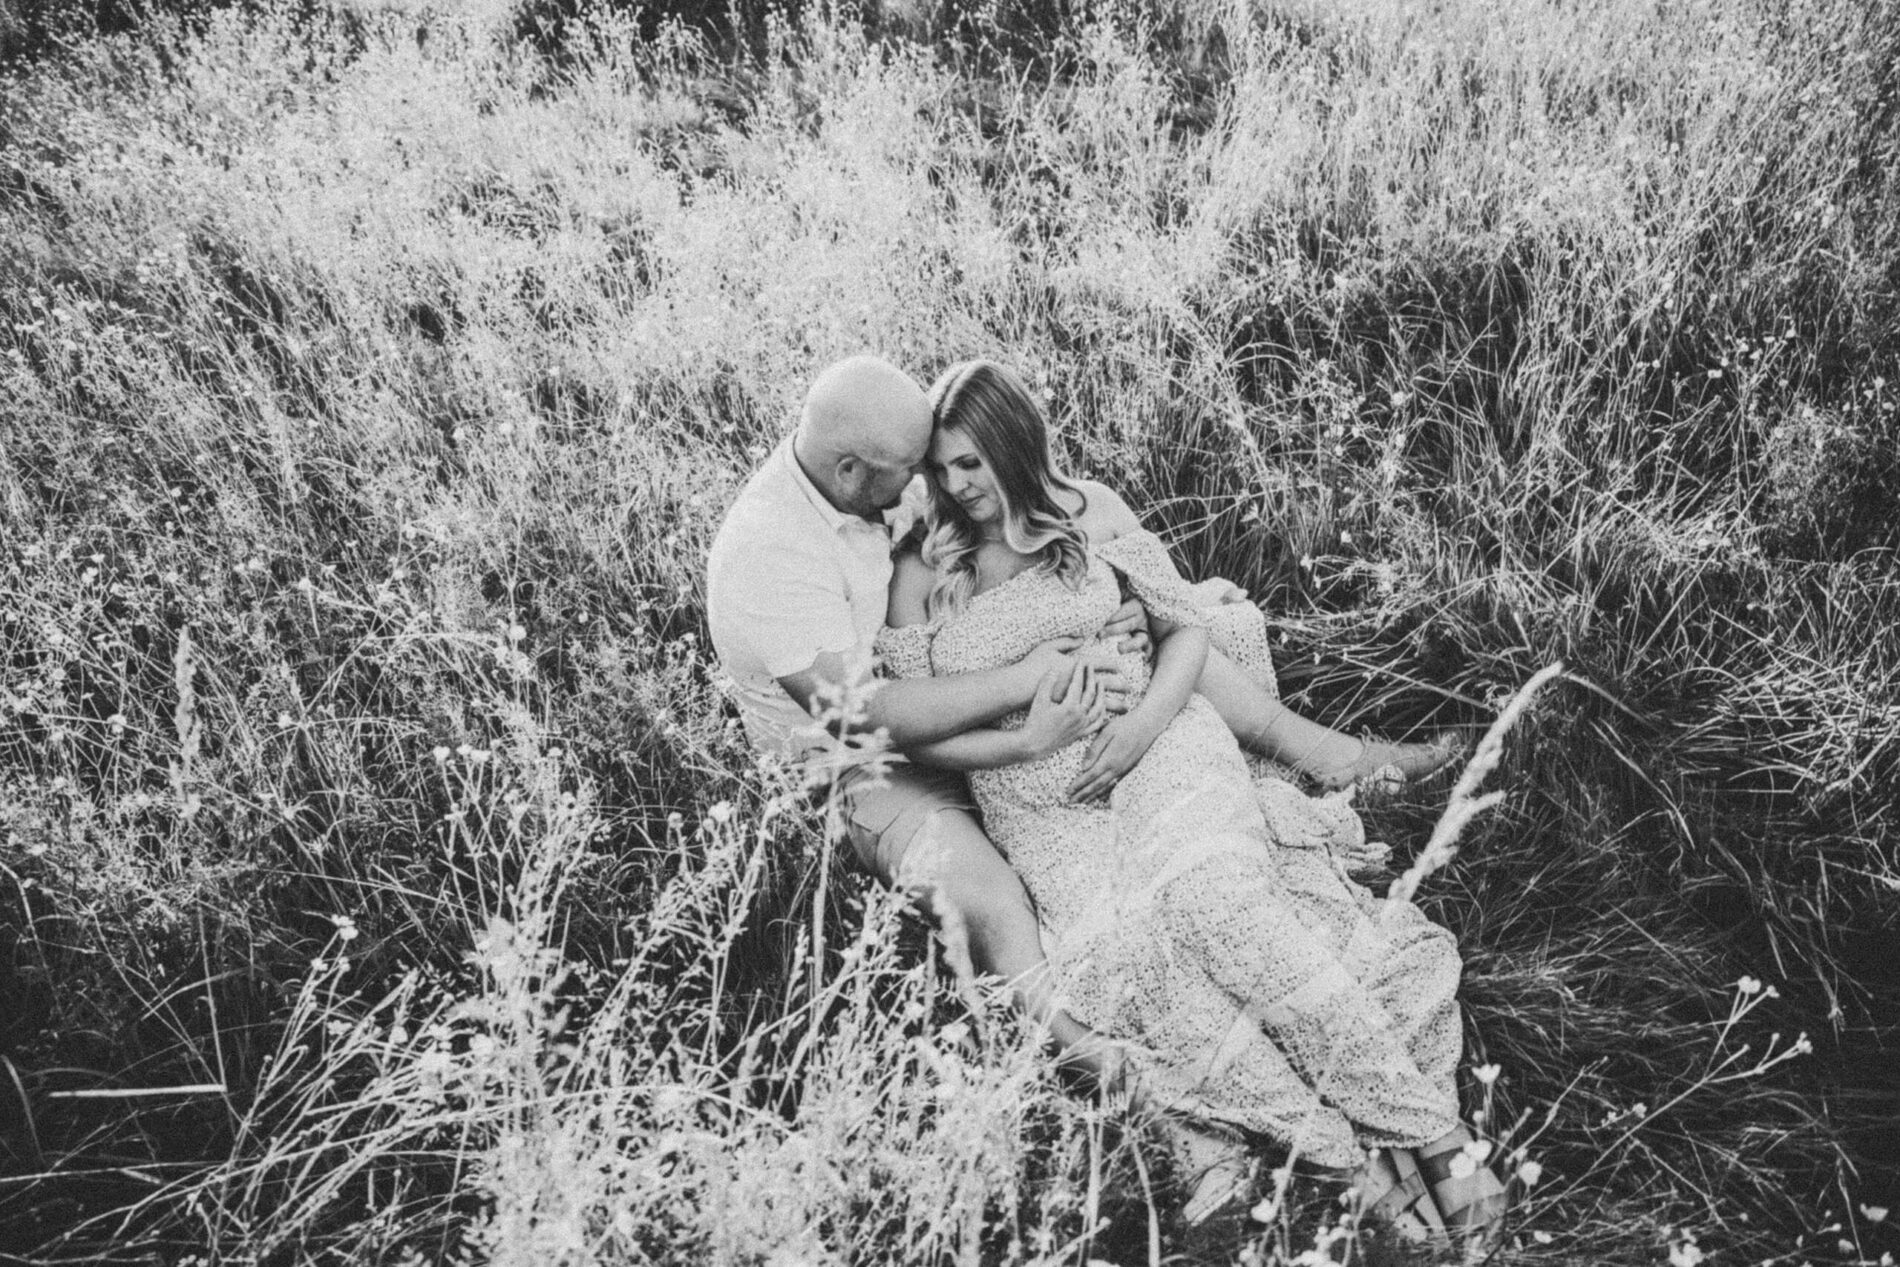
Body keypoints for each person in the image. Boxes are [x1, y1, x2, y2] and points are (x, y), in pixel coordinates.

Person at [871, 358, 1508, 1244]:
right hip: (1040, 807)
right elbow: (918, 734)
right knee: (1125, 956)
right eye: (942, 468)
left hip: (1159, 744)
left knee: (1215, 899)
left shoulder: (1088, 510)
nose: (954, 485)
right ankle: (1345, 1155)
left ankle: (1430, 1131)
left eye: (972, 462)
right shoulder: (924, 565)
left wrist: (1140, 728)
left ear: (1014, 446)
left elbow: (1184, 629)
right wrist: (1026, 741)